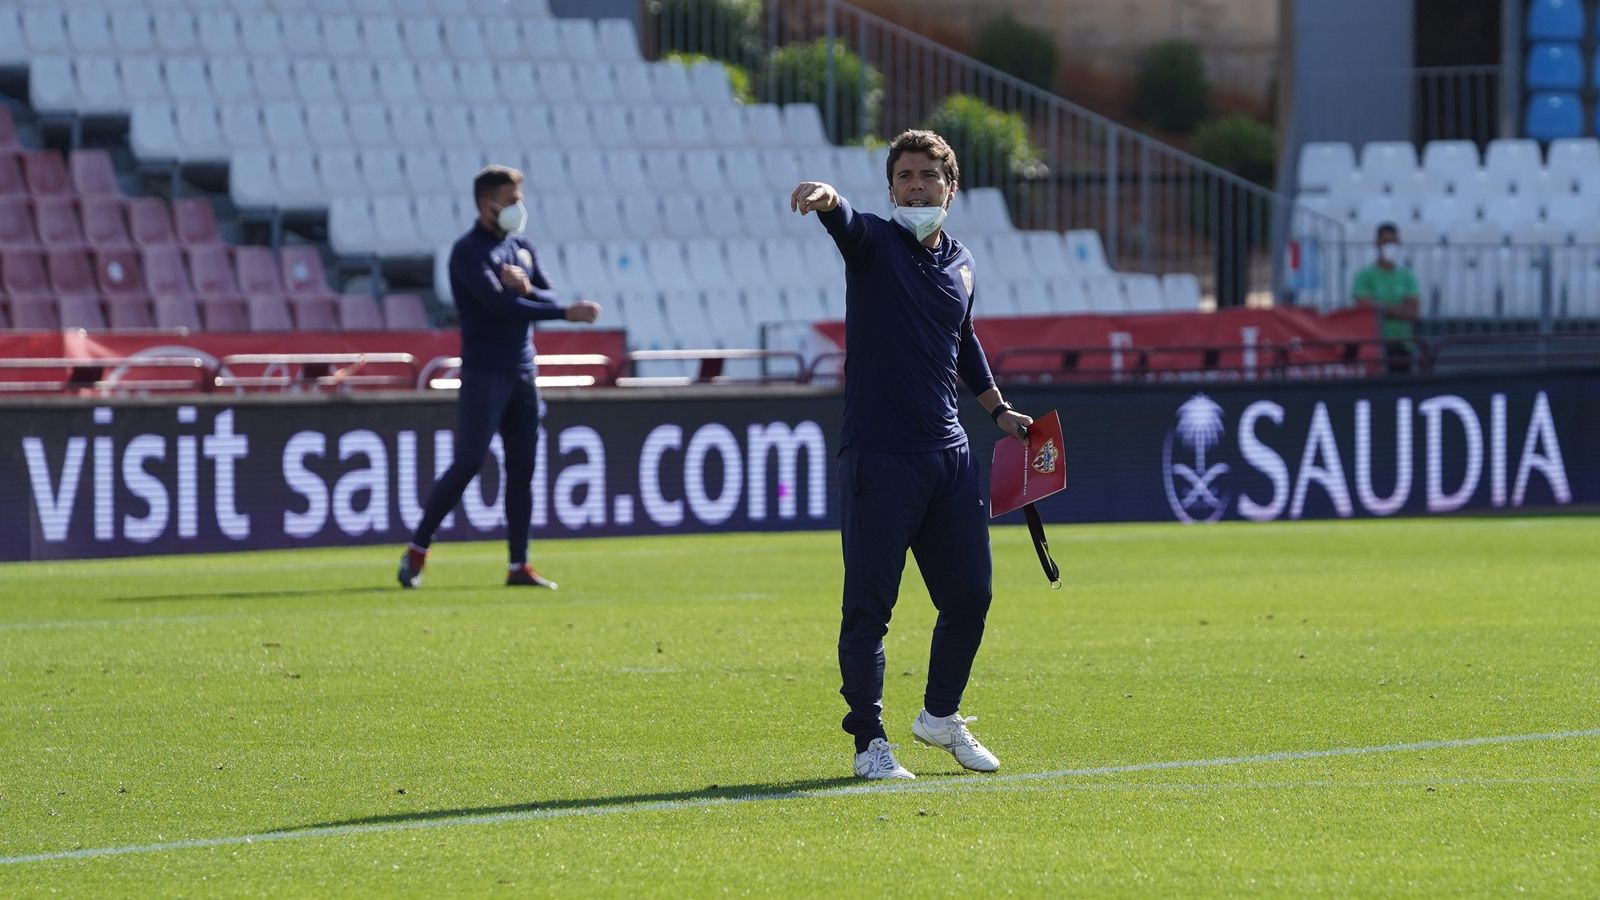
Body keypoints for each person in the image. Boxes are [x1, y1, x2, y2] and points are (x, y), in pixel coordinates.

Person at [791, 130, 1034, 781]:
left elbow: (964, 342)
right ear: (891, 187)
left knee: (970, 596)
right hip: (879, 457)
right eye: (905, 176)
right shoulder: (872, 243)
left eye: (929, 175)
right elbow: (844, 222)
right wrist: (826, 198)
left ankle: (938, 717)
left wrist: (997, 411)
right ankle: (869, 744)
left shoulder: (962, 261)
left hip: (948, 457)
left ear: (951, 188)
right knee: (869, 611)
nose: (917, 186)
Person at [397, 165, 601, 589]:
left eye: (519, 200)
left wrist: (529, 292)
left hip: (523, 372)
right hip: (484, 373)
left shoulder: (520, 247)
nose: (517, 209)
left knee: (523, 467)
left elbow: (545, 293)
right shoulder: (469, 252)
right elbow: (498, 307)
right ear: (485, 204)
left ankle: (518, 565)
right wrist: (561, 313)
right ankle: (418, 549)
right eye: (510, 202)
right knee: (469, 461)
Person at [1351, 222, 1420, 374]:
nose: (1391, 247)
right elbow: (1363, 307)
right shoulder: (1364, 276)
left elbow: (1412, 312)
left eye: (1394, 242)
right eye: (1386, 242)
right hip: (1374, 346)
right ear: (1377, 244)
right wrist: (1398, 309)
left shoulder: (1407, 276)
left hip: (1403, 346)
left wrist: (1380, 307)